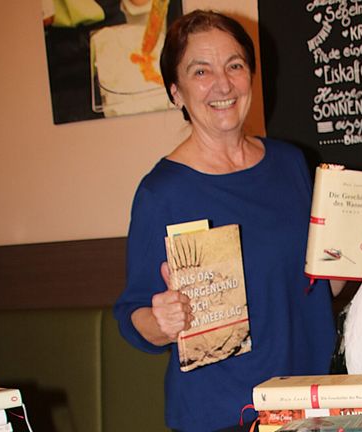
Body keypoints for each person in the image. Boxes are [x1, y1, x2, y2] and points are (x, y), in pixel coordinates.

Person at [113, 10, 343, 432]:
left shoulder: (291, 164)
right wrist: (161, 322)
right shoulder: (162, 193)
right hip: (221, 415)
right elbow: (133, 316)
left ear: (251, 76)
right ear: (175, 92)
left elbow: (318, 283)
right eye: (201, 71)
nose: (222, 83)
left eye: (234, 65)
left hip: (311, 403)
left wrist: (350, 256)